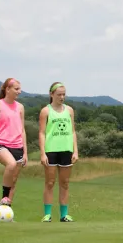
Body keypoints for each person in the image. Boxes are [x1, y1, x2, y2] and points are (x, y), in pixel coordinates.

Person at [38, 82, 79, 222]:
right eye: (59, 94)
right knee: (50, 182)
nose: (62, 97)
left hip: (66, 149)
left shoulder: (70, 110)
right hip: (51, 150)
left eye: (64, 94)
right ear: (51, 95)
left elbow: (73, 131)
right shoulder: (46, 111)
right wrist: (43, 153)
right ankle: (47, 214)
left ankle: (64, 215)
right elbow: (42, 133)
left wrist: (75, 151)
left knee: (65, 183)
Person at [0, 78, 28, 207]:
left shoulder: (20, 107)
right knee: (10, 164)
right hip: (2, 144)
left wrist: (25, 153)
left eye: (20, 89)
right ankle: (4, 197)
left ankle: (5, 211)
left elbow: (22, 130)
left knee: (14, 181)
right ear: (7, 89)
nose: (19, 92)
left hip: (18, 146)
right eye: (16, 89)